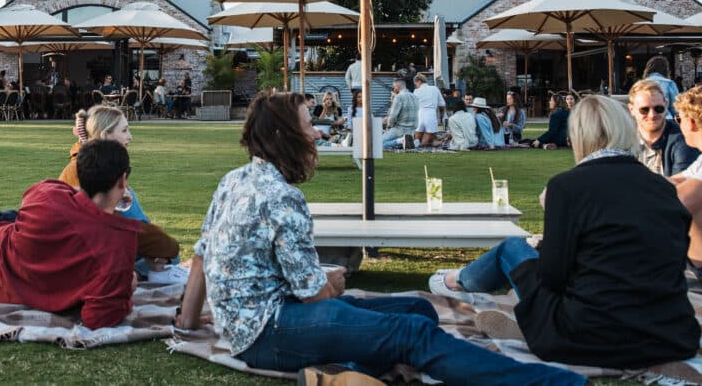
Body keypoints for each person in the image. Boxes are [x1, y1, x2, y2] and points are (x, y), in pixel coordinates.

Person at [174, 90, 582, 385]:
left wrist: (188, 324)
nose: (317, 134)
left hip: (257, 322)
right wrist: (331, 284)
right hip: (272, 329)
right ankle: (551, 383)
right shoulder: (283, 197)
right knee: (413, 334)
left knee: (417, 311)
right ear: (285, 137)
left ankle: (338, 377)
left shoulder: (232, 180)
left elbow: (201, 257)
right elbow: (314, 294)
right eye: (308, 125)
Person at [430, 95, 699, 369]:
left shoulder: (566, 187)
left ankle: (455, 281)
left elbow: (553, 277)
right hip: (669, 337)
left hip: (587, 336)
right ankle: (462, 282)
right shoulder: (662, 187)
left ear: (577, 136)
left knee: (513, 248)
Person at [0, 139, 142, 329]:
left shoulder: (47, 195)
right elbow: (97, 318)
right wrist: (124, 292)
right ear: (122, 180)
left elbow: (47, 197)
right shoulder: (117, 247)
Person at [58, 106, 186, 284]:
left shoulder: (96, 164)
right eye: (124, 130)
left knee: (166, 256)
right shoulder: (87, 170)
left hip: (100, 248)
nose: (130, 137)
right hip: (89, 255)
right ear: (105, 136)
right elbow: (114, 225)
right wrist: (163, 247)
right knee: (167, 257)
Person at [670, 85, 702, 288]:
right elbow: (671, 182)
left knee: (681, 206)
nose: (679, 125)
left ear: (692, 123)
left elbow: (680, 202)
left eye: (679, 119)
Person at [629, 79, 699, 176]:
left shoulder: (682, 140)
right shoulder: (624, 140)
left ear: (666, 106)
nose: (652, 115)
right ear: (631, 109)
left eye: (658, 109)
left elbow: (682, 186)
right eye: (644, 110)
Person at [381, 79, 417, 150]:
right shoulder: (414, 97)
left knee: (377, 143)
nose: (394, 89)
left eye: (394, 87)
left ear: (398, 86)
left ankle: (400, 141)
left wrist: (389, 125)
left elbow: (392, 116)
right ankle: (405, 142)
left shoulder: (399, 97)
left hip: (399, 129)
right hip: (411, 130)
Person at [412, 73, 446, 148]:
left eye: (416, 84)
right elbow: (442, 105)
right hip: (431, 114)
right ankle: (437, 141)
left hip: (419, 115)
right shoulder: (435, 89)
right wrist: (441, 118)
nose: (416, 86)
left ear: (419, 81)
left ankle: (431, 142)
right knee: (426, 142)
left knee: (418, 139)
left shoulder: (416, 91)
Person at [645, 54, 680, 119]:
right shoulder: (669, 83)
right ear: (665, 69)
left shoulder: (641, 84)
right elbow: (676, 107)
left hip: (646, 120)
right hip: (665, 119)